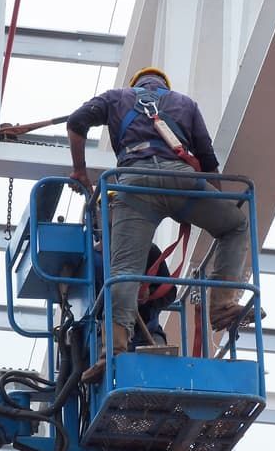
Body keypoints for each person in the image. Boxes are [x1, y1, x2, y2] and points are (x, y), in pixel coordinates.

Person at [67, 66, 250, 383]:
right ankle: (222, 305)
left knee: (123, 271)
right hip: (180, 182)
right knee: (234, 225)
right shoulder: (185, 103)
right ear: (164, 86)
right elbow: (207, 160)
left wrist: (80, 171)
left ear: (135, 84)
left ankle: (113, 353)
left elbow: (76, 122)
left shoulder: (115, 98)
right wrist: (214, 206)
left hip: (134, 186)